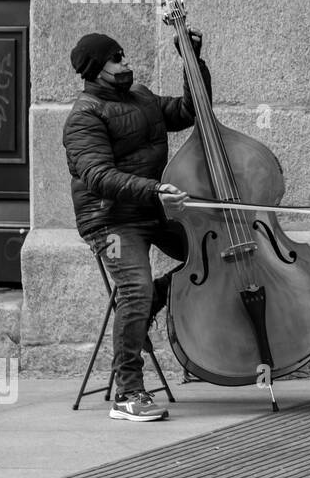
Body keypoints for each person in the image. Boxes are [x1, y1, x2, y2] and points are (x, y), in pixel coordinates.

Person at [63, 31, 210, 422]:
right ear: (95, 71)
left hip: (151, 208)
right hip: (108, 220)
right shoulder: (84, 116)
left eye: (123, 56)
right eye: (115, 60)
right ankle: (128, 393)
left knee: (215, 255)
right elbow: (98, 175)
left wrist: (191, 61)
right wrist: (155, 188)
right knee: (134, 288)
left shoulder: (141, 97)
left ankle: (151, 307)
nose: (125, 65)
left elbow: (189, 110)